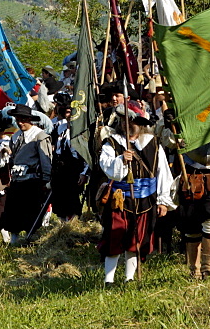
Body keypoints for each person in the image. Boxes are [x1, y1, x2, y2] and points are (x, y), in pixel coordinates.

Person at [98, 101, 174, 284]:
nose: (126, 124)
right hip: (120, 199)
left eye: (130, 120)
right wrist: (121, 160)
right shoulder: (111, 143)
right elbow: (107, 168)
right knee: (114, 238)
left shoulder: (153, 144)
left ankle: (129, 278)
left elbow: (162, 172)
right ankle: (109, 279)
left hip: (146, 200)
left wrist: (164, 200)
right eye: (123, 120)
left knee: (136, 240)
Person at [0, 104, 53, 244]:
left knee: (31, 212)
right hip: (17, 179)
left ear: (30, 119)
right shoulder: (16, 136)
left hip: (32, 180)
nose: (20, 122)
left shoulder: (40, 136)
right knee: (14, 212)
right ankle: (14, 240)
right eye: (18, 119)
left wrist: (47, 180)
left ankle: (31, 240)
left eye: (23, 119)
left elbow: (46, 159)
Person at [50, 98, 88, 221]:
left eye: (72, 112)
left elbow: (87, 155)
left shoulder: (83, 131)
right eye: (67, 112)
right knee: (59, 199)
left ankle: (72, 225)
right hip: (59, 167)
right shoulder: (58, 128)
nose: (70, 115)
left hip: (74, 168)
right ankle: (62, 226)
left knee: (72, 199)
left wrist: (84, 173)